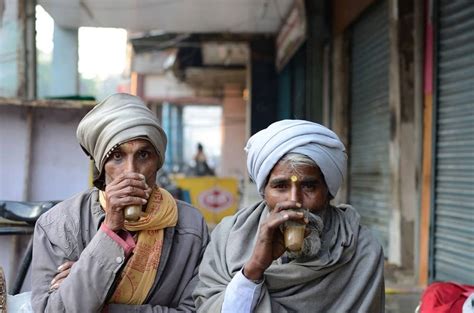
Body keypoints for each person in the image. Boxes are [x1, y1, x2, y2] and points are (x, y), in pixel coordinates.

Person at [31, 93, 209, 312]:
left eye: (143, 155)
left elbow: (199, 309)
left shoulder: (191, 227)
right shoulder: (60, 225)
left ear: (158, 161)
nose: (131, 171)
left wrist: (99, 301)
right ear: (102, 165)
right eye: (117, 156)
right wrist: (111, 230)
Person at [193, 119, 385, 312]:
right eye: (280, 186)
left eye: (309, 186)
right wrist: (253, 269)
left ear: (328, 191)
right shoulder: (227, 238)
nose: (294, 201)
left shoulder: (361, 249)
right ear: (264, 192)